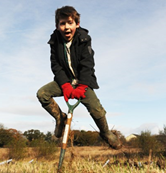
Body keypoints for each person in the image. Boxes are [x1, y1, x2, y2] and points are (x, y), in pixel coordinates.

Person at [37, 6, 122, 149]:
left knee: (96, 110)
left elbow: (87, 64)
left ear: (77, 24)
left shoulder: (84, 39)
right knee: (42, 94)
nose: (66, 27)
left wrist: (81, 86)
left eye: (70, 23)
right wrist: (65, 85)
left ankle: (106, 132)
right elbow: (56, 65)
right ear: (57, 26)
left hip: (83, 82)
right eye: (62, 23)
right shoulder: (54, 41)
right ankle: (60, 118)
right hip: (65, 81)